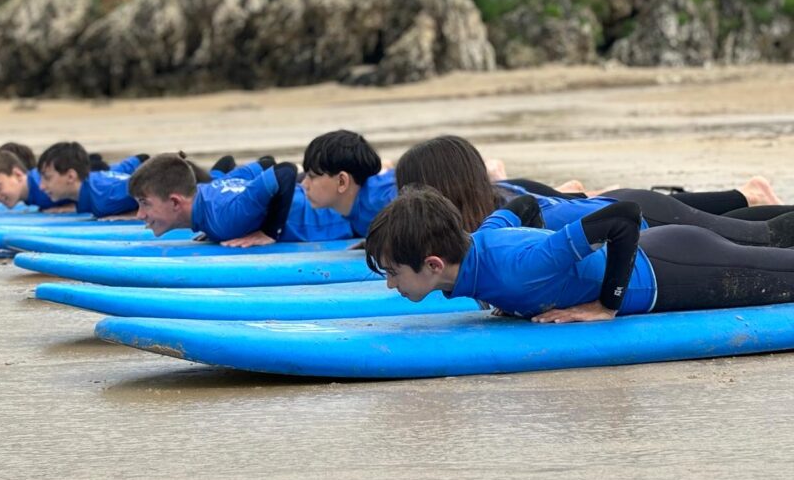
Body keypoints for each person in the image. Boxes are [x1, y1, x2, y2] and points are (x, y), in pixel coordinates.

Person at [365, 185, 794, 324]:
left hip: (679, 270)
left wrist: (605, 304)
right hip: (668, 255)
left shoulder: (520, 269)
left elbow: (623, 217)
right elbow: (518, 209)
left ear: (434, 264)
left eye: (393, 272)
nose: (389, 284)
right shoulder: (480, 241)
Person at [395, 134, 794, 248]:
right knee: (732, 231)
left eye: (409, 190)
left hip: (636, 212)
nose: (404, 202)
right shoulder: (483, 214)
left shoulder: (503, 216)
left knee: (754, 236)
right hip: (624, 208)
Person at [128, 152, 354, 247]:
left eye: (144, 203)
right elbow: (265, 163)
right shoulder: (209, 195)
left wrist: (269, 232)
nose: (139, 215)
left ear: (176, 202)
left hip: (338, 220)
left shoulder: (226, 217)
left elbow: (284, 171)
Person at [300, 130, 395, 237]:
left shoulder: (383, 199)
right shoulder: (355, 210)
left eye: (312, 177)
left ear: (342, 182)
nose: (304, 184)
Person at [37, 141, 149, 218]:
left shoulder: (105, 198)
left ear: (71, 176)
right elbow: (140, 158)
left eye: (47, 178)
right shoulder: (96, 177)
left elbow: (153, 183)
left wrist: (136, 214)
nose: (41, 186)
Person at [0, 147, 72, 211]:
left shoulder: (43, 184)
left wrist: (73, 207)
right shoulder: (30, 192)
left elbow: (79, 181)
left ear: (18, 175)